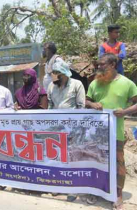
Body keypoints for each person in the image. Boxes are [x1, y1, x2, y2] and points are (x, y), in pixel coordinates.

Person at [86, 53, 137, 209]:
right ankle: (95, 190)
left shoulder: (127, 84)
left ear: (113, 65)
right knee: (96, 161)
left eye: (102, 65)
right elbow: (86, 101)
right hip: (96, 133)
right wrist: (92, 104)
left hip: (116, 132)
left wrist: (125, 112)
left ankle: (118, 194)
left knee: (118, 163)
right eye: (98, 65)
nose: (99, 67)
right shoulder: (95, 83)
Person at [47, 59, 85, 202]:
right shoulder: (51, 86)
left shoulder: (77, 84)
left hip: (73, 128)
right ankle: (58, 185)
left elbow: (81, 107)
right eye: (53, 73)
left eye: (56, 73)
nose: (53, 76)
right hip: (57, 128)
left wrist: (78, 129)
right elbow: (50, 106)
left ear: (63, 73)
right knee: (57, 157)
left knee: (72, 159)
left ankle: (73, 188)